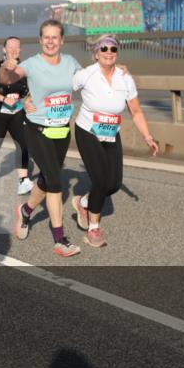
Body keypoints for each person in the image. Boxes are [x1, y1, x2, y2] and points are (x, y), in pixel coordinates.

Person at [70, 36, 159, 247]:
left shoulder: (125, 78)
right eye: (104, 49)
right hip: (88, 131)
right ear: (96, 53)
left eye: (113, 49)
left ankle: (83, 202)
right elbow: (63, 87)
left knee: (114, 184)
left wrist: (148, 137)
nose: (109, 52)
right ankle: (93, 229)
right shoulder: (86, 75)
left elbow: (135, 111)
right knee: (100, 181)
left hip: (111, 133)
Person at [9, 19, 84, 257]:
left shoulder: (71, 62)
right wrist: (22, 96)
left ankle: (25, 212)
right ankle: (60, 238)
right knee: (55, 181)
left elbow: (90, 79)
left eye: (55, 37)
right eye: (46, 37)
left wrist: (114, 69)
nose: (51, 41)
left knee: (46, 178)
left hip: (61, 130)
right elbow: (9, 78)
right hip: (36, 130)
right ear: (40, 40)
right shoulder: (31, 64)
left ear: (62, 40)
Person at [0, 36, 33, 195]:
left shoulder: (23, 69)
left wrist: (27, 101)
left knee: (23, 144)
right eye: (10, 47)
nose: (13, 50)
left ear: (20, 49)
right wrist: (4, 99)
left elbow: (28, 91)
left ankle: (23, 180)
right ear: (4, 50)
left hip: (16, 112)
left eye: (17, 47)